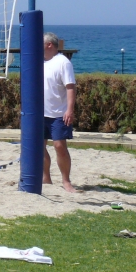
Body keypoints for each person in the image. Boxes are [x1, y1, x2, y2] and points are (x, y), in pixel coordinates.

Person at [43, 32, 77, 193]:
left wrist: (69, 110)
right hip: (40, 113)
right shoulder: (39, 61)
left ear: (49, 44)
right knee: (39, 146)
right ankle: (45, 178)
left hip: (58, 113)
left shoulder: (63, 62)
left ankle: (66, 181)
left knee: (59, 146)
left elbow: (70, 87)